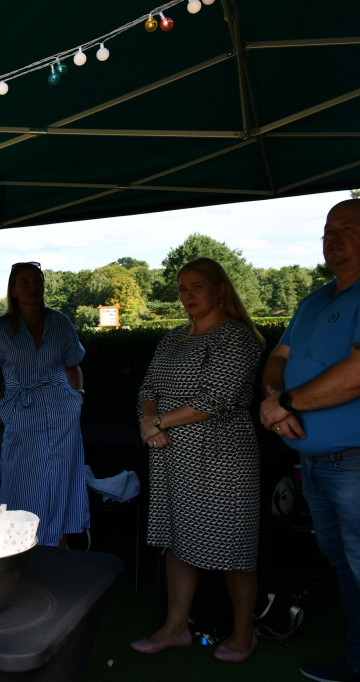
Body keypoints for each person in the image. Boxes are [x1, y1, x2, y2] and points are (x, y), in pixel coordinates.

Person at [259, 198, 360, 682]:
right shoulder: (316, 299)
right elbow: (279, 355)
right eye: (327, 229)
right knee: (347, 571)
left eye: (348, 228)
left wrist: (288, 404)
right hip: (318, 466)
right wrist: (275, 396)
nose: (332, 237)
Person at [132, 257, 264, 662]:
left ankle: (244, 633)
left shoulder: (237, 338)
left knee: (233, 547)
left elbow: (215, 398)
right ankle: (175, 627)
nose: (187, 296)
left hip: (222, 456)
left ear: (221, 288)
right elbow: (148, 385)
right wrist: (147, 422)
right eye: (181, 289)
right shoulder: (172, 337)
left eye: (197, 287)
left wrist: (155, 422)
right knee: (177, 541)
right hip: (171, 455)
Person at [0, 261, 88, 548]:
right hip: (21, 412)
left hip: (62, 411)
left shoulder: (60, 322)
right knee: (22, 481)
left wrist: (77, 396)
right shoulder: (0, 328)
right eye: (24, 282)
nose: (32, 287)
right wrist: (4, 406)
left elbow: (73, 365)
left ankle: (61, 550)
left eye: (37, 280)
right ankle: (21, 547)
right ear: (14, 290)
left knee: (62, 480)